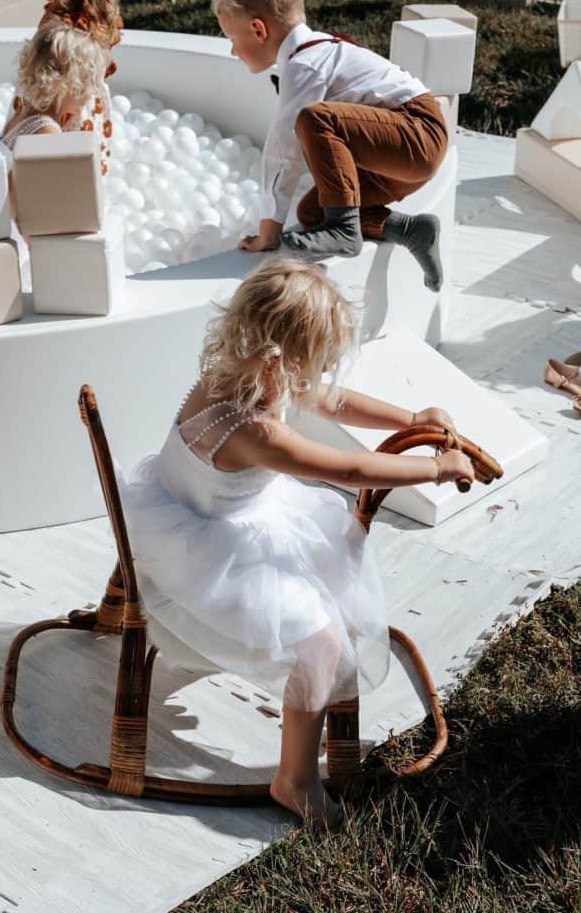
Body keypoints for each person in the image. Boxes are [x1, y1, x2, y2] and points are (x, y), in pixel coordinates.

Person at [117, 258, 475, 826]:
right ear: (285, 358)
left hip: (193, 507)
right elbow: (353, 471)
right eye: (320, 360)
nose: (323, 376)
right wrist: (435, 471)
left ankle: (311, 745)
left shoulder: (235, 371)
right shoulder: (253, 431)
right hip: (208, 550)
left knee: (329, 563)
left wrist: (411, 417)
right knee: (321, 640)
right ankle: (296, 778)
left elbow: (331, 401)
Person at [212, 0, 449, 291]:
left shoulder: (305, 65)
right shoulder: (313, 54)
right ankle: (413, 231)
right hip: (398, 155)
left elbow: (284, 149)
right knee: (313, 213)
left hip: (418, 133)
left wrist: (269, 230)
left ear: (258, 30)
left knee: (313, 118)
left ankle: (344, 230)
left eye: (231, 38)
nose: (233, 51)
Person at [13, 0, 122, 176]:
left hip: (65, 104)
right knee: (80, 171)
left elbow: (45, 77)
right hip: (81, 101)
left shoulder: (60, 24)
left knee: (57, 169)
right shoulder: (97, 9)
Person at [0, 19, 109, 221]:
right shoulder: (46, 133)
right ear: (70, 83)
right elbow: (37, 209)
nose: (92, 92)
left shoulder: (21, 113)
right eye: (90, 82)